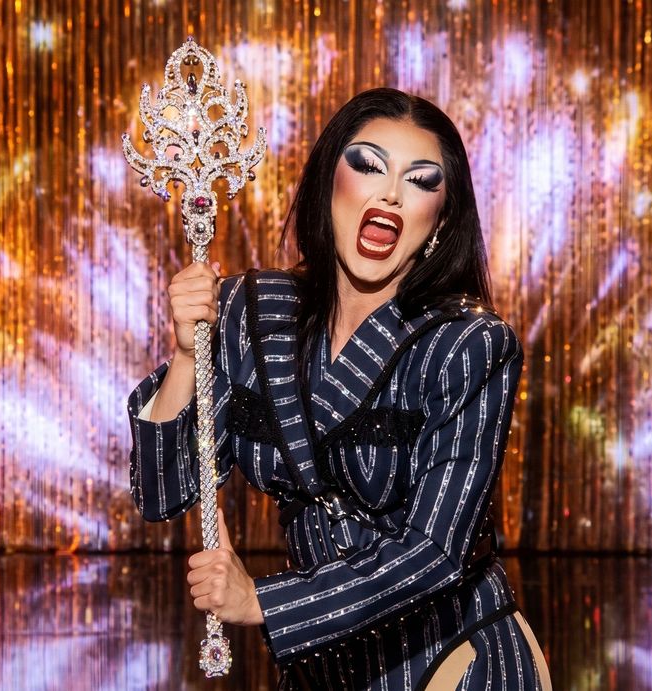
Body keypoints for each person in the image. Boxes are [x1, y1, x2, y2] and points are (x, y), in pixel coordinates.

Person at [127, 87, 552, 689]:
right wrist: (185, 354)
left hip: (451, 659)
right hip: (320, 666)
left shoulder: (468, 344)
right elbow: (162, 493)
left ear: (441, 218)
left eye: (419, 180)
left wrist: (263, 603)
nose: (391, 193)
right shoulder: (253, 312)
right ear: (329, 183)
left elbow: (435, 553)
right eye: (370, 166)